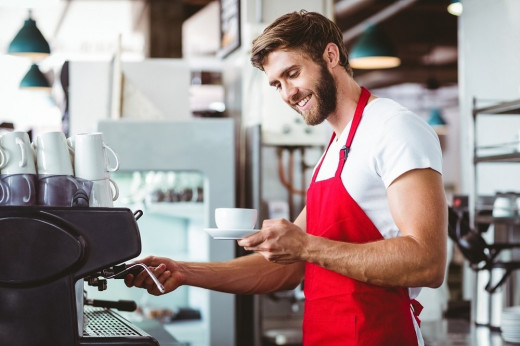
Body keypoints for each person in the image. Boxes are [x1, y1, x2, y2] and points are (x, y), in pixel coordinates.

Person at [125, 10, 448, 345]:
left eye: (292, 74)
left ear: (331, 55)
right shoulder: (334, 148)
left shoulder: (393, 127)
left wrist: (306, 246)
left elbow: (427, 260)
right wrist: (184, 271)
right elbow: (286, 269)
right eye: (277, 84)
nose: (288, 94)